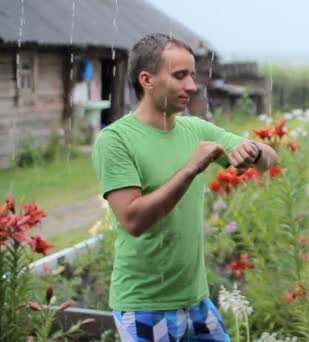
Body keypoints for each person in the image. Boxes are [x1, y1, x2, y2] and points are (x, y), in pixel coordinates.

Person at [92, 33, 277, 341]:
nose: (192, 86)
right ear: (147, 80)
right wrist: (191, 168)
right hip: (144, 307)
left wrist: (254, 151)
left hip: (196, 301)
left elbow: (270, 159)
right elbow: (134, 220)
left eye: (192, 75)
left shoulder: (196, 129)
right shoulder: (115, 140)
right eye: (180, 76)